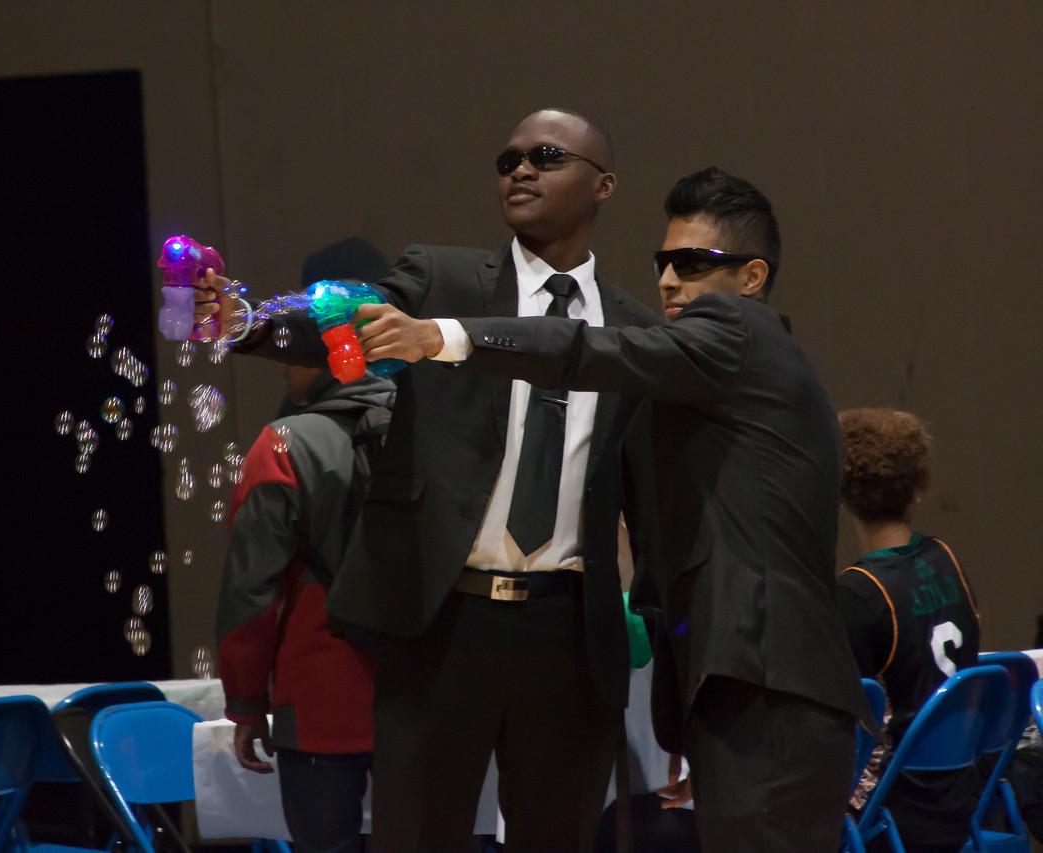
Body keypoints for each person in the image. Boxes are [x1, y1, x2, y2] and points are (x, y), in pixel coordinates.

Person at [356, 166, 875, 852]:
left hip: (770, 693)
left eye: (692, 264)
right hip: (753, 696)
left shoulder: (736, 331)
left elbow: (588, 345)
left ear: (751, 277)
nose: (668, 281)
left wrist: (443, 337)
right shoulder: (737, 376)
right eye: (664, 262)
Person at [200, 107, 661, 852]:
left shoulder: (637, 331)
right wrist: (251, 325)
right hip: (445, 621)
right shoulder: (443, 277)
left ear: (603, 183)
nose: (519, 169)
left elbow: (647, 500)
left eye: (545, 155)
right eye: (507, 158)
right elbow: (343, 324)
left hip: (569, 631)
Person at [215, 239, 392, 853]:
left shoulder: (283, 444)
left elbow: (250, 592)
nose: (283, 369)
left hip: (318, 697)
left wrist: (244, 702)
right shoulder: (434, 430)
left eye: (288, 354)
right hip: (422, 696)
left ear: (321, 354)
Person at [835, 407, 981, 853]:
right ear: (917, 490)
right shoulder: (947, 558)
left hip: (897, 811)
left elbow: (844, 727)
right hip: (964, 797)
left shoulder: (857, 593)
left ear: (842, 495)